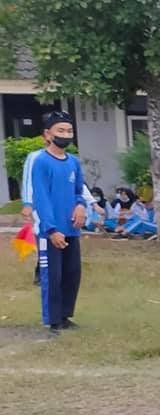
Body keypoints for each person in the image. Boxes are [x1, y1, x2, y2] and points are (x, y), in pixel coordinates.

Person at [29, 111, 86, 336]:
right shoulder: (41, 162)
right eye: (60, 131)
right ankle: (53, 320)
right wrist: (51, 229)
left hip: (71, 228)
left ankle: (65, 315)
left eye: (69, 131)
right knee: (52, 275)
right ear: (47, 134)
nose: (65, 135)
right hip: (51, 231)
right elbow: (41, 198)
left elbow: (79, 190)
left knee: (72, 273)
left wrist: (81, 206)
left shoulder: (74, 162)